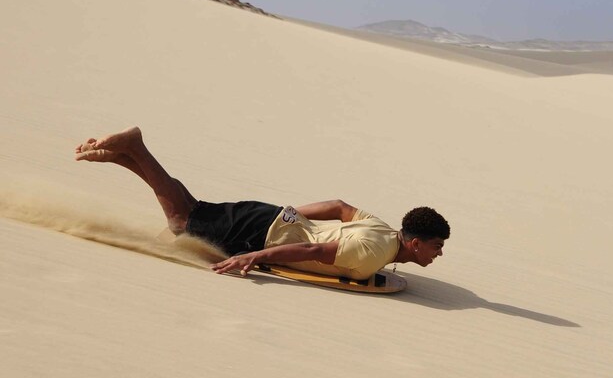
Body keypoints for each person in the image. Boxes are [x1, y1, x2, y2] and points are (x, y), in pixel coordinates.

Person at [74, 127, 449, 279]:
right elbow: (314, 249)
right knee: (180, 222)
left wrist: (287, 216)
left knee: (192, 208)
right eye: (437, 247)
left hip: (270, 216)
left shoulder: (382, 228)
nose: (439, 254)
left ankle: (122, 156)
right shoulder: (373, 252)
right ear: (415, 243)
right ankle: (136, 146)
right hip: (263, 233)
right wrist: (252, 256)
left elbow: (337, 205)